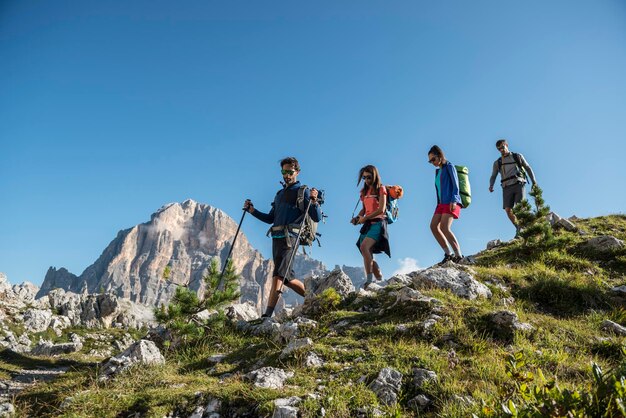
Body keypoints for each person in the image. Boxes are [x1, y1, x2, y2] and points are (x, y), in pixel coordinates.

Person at [244, 157, 322, 318]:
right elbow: (271, 218)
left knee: (278, 275)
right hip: (276, 237)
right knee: (287, 278)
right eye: (283, 172)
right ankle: (317, 299)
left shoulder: (303, 191)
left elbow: (316, 217)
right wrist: (252, 211)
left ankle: (267, 315)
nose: (286, 175)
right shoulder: (279, 194)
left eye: (289, 172)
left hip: (290, 239)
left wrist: (314, 201)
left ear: (297, 172)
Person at [351, 165, 390, 288]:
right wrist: (357, 218)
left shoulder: (381, 189)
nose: (366, 180)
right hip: (367, 224)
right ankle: (380, 281)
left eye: (369, 177)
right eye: (364, 178)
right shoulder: (364, 192)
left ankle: (368, 281)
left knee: (364, 247)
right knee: (367, 253)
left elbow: (381, 209)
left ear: (375, 176)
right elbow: (364, 209)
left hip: (378, 223)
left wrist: (365, 218)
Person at [489, 139, 538, 235]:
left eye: (502, 147)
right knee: (508, 210)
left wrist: (534, 182)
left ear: (506, 145)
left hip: (519, 183)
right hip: (506, 186)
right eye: (499, 149)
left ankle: (525, 228)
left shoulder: (517, 156)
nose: (501, 150)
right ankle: (519, 228)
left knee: (520, 208)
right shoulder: (497, 162)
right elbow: (493, 175)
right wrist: (491, 185)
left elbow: (528, 168)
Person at [427, 146, 463, 264]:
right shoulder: (438, 171)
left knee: (445, 227)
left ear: (440, 156)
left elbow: (455, 185)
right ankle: (448, 254)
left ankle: (459, 256)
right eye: (430, 161)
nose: (432, 163)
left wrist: (454, 200)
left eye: (433, 159)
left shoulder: (449, 166)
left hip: (451, 201)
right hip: (441, 204)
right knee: (433, 226)